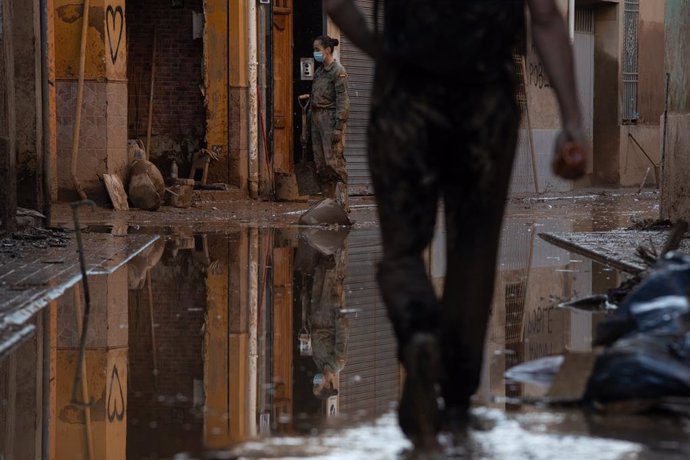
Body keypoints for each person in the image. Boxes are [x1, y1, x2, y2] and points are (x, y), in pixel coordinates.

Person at [324, 0, 587, 450]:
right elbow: (545, 15)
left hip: (405, 96)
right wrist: (572, 122)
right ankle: (459, 399)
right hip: (485, 101)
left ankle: (420, 333)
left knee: (404, 249)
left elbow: (336, 5)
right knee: (474, 253)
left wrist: (382, 54)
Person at [309, 35, 351, 211]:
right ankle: (328, 204)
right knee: (321, 165)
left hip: (330, 120)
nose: (315, 53)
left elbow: (343, 101)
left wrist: (338, 126)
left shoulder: (337, 71)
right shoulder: (319, 72)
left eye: (317, 50)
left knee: (334, 163)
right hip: (316, 119)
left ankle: (342, 205)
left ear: (327, 50)